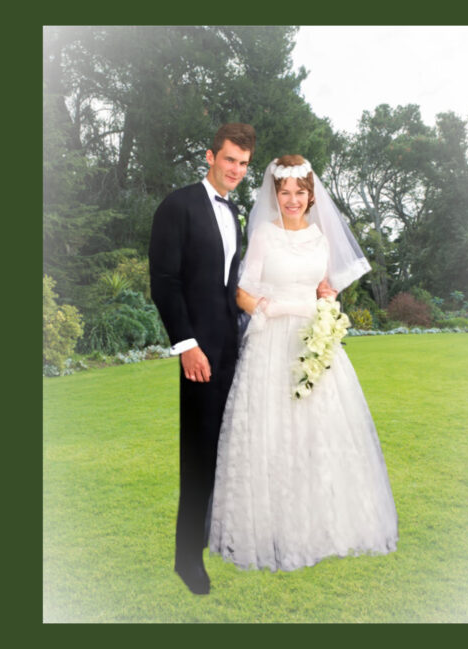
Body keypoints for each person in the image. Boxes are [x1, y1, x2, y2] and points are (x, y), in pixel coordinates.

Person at [208, 155, 397, 571]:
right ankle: (269, 529)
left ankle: (322, 526)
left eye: (300, 192)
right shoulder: (262, 236)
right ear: (275, 194)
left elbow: (325, 288)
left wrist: (328, 301)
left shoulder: (320, 239)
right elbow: (241, 291)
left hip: (313, 343)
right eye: (285, 191)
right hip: (272, 341)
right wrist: (268, 307)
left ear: (311, 196)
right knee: (270, 432)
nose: (292, 199)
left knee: (319, 433)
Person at [148, 123, 255, 594]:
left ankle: (218, 540)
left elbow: (230, 287)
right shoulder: (178, 206)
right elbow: (165, 281)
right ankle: (186, 559)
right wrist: (186, 345)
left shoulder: (235, 215)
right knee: (198, 455)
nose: (236, 170)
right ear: (211, 156)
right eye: (230, 159)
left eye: (244, 164)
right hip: (200, 354)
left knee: (227, 453)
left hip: (235, 351)